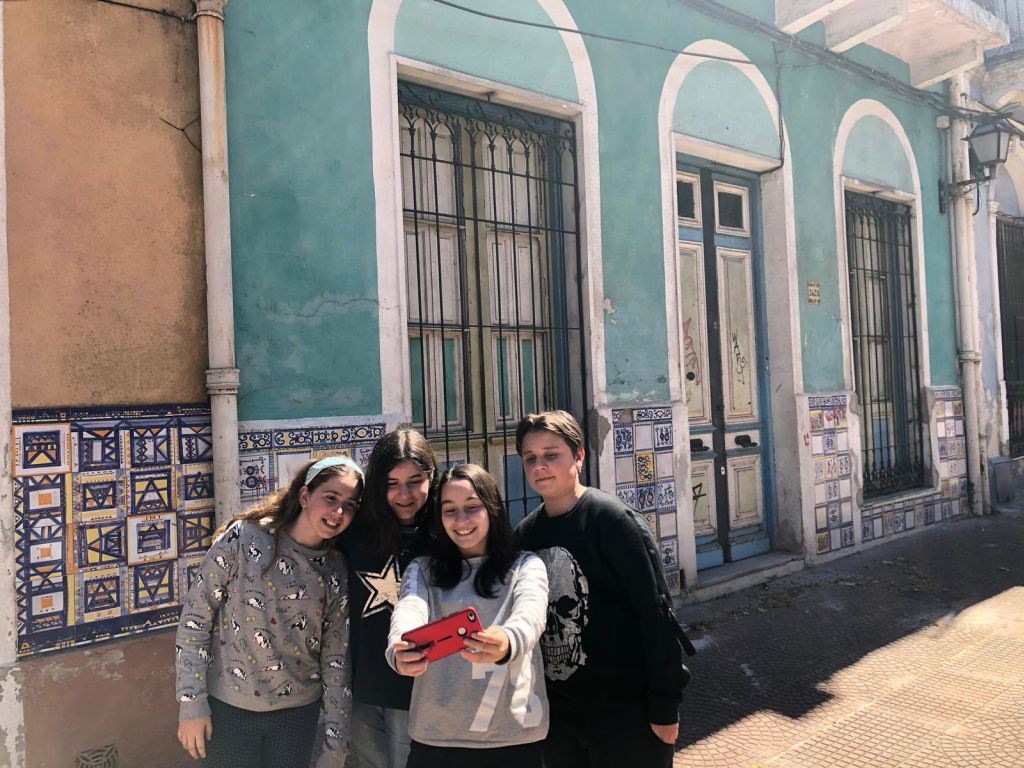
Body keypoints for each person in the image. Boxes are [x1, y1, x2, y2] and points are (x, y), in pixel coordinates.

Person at [514, 410, 684, 768]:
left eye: (551, 454)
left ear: (579, 456)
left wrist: (665, 706)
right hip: (560, 719)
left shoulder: (613, 522)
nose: (540, 466)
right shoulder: (526, 536)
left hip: (625, 716)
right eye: (530, 458)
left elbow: (655, 615)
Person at [175, 456, 360, 768]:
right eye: (330, 498)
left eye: (350, 504)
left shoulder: (334, 570)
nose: (338, 512)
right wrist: (191, 704)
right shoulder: (243, 539)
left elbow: (335, 659)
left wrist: (336, 743)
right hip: (227, 711)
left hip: (296, 718)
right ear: (304, 496)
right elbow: (195, 621)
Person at [386, 463, 549, 768]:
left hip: (514, 739)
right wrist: (400, 647)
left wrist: (508, 641)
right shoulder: (422, 570)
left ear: (491, 509)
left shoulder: (525, 566)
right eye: (450, 510)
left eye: (472, 507)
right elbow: (409, 609)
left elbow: (531, 613)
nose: (461, 520)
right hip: (437, 740)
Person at [336, 428, 437, 768]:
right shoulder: (354, 532)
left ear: (431, 476)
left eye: (415, 481)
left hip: (420, 694)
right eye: (392, 483)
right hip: (363, 690)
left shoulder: (445, 533)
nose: (404, 494)